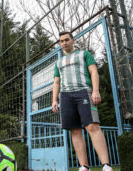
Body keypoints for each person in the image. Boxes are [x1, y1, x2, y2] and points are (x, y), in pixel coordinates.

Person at [52, 32, 113, 171]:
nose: (64, 43)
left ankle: (106, 165)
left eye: (67, 40)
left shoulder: (84, 54)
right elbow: (56, 82)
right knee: (75, 130)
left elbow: (94, 72)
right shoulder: (58, 62)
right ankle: (84, 166)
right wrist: (54, 100)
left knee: (92, 126)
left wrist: (95, 90)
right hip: (66, 96)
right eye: (61, 41)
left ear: (73, 40)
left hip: (83, 92)